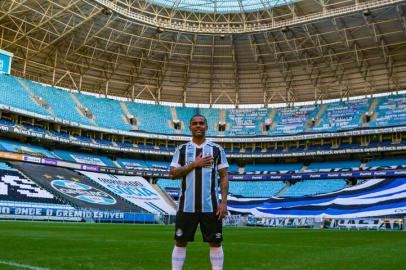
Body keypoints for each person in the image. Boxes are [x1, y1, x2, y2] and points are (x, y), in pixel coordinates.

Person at [170, 114, 229, 270]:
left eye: (201, 123)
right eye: (195, 123)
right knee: (180, 241)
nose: (198, 126)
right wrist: (194, 164)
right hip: (186, 206)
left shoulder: (217, 149)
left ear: (206, 127)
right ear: (190, 127)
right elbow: (173, 173)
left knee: (215, 241)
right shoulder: (181, 150)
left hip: (211, 207)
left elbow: (224, 176)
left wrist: (223, 202)